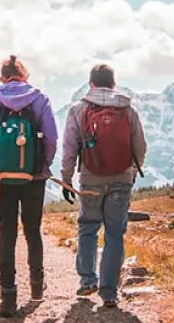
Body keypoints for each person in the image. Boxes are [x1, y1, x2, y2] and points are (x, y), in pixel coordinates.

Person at [0, 55, 58, 317]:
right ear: (24, 76)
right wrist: (42, 166)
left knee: (7, 233)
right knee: (33, 230)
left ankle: (8, 298)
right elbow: (51, 139)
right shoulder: (40, 98)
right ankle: (37, 288)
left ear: (3, 77)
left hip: (2, 179)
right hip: (34, 178)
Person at [60, 63, 147, 308]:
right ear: (113, 84)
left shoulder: (79, 108)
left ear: (91, 84)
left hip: (90, 179)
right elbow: (140, 146)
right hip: (121, 179)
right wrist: (130, 173)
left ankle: (88, 280)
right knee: (114, 233)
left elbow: (69, 147)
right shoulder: (128, 109)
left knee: (88, 228)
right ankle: (109, 292)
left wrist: (66, 178)